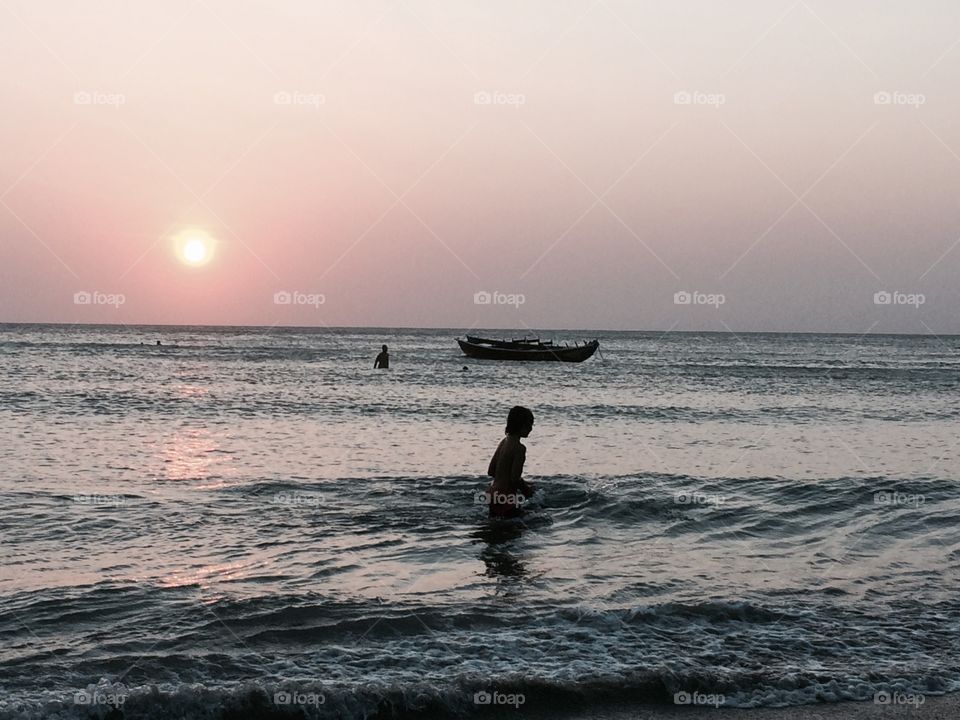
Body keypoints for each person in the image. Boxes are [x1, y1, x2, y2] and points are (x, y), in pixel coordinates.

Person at [486, 406, 535, 518]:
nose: (531, 429)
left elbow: (491, 471)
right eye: (529, 425)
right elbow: (514, 478)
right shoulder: (519, 448)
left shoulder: (504, 442)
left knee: (496, 523)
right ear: (521, 426)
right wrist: (527, 491)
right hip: (506, 497)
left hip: (492, 494)